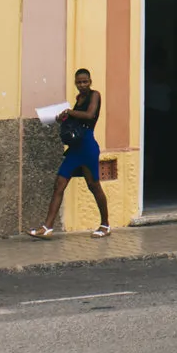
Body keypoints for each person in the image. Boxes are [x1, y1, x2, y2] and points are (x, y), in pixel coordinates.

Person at [30, 68, 110, 239]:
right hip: (75, 148)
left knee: (93, 185)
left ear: (90, 81)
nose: (82, 85)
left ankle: (105, 225)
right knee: (59, 183)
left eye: (85, 82)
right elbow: (75, 118)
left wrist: (70, 112)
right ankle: (47, 227)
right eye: (79, 82)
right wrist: (62, 117)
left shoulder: (94, 95)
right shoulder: (78, 99)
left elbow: (89, 115)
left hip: (87, 146)